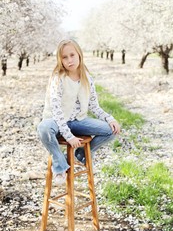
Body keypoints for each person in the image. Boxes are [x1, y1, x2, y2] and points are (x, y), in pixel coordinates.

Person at [37, 39, 120, 185]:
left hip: (78, 121)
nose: (69, 60)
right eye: (65, 57)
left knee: (111, 130)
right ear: (60, 60)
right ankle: (60, 165)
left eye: (72, 55)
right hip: (56, 121)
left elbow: (94, 105)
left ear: (79, 55)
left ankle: (80, 155)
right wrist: (68, 136)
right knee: (43, 128)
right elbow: (56, 111)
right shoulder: (58, 79)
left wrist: (110, 119)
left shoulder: (87, 78)